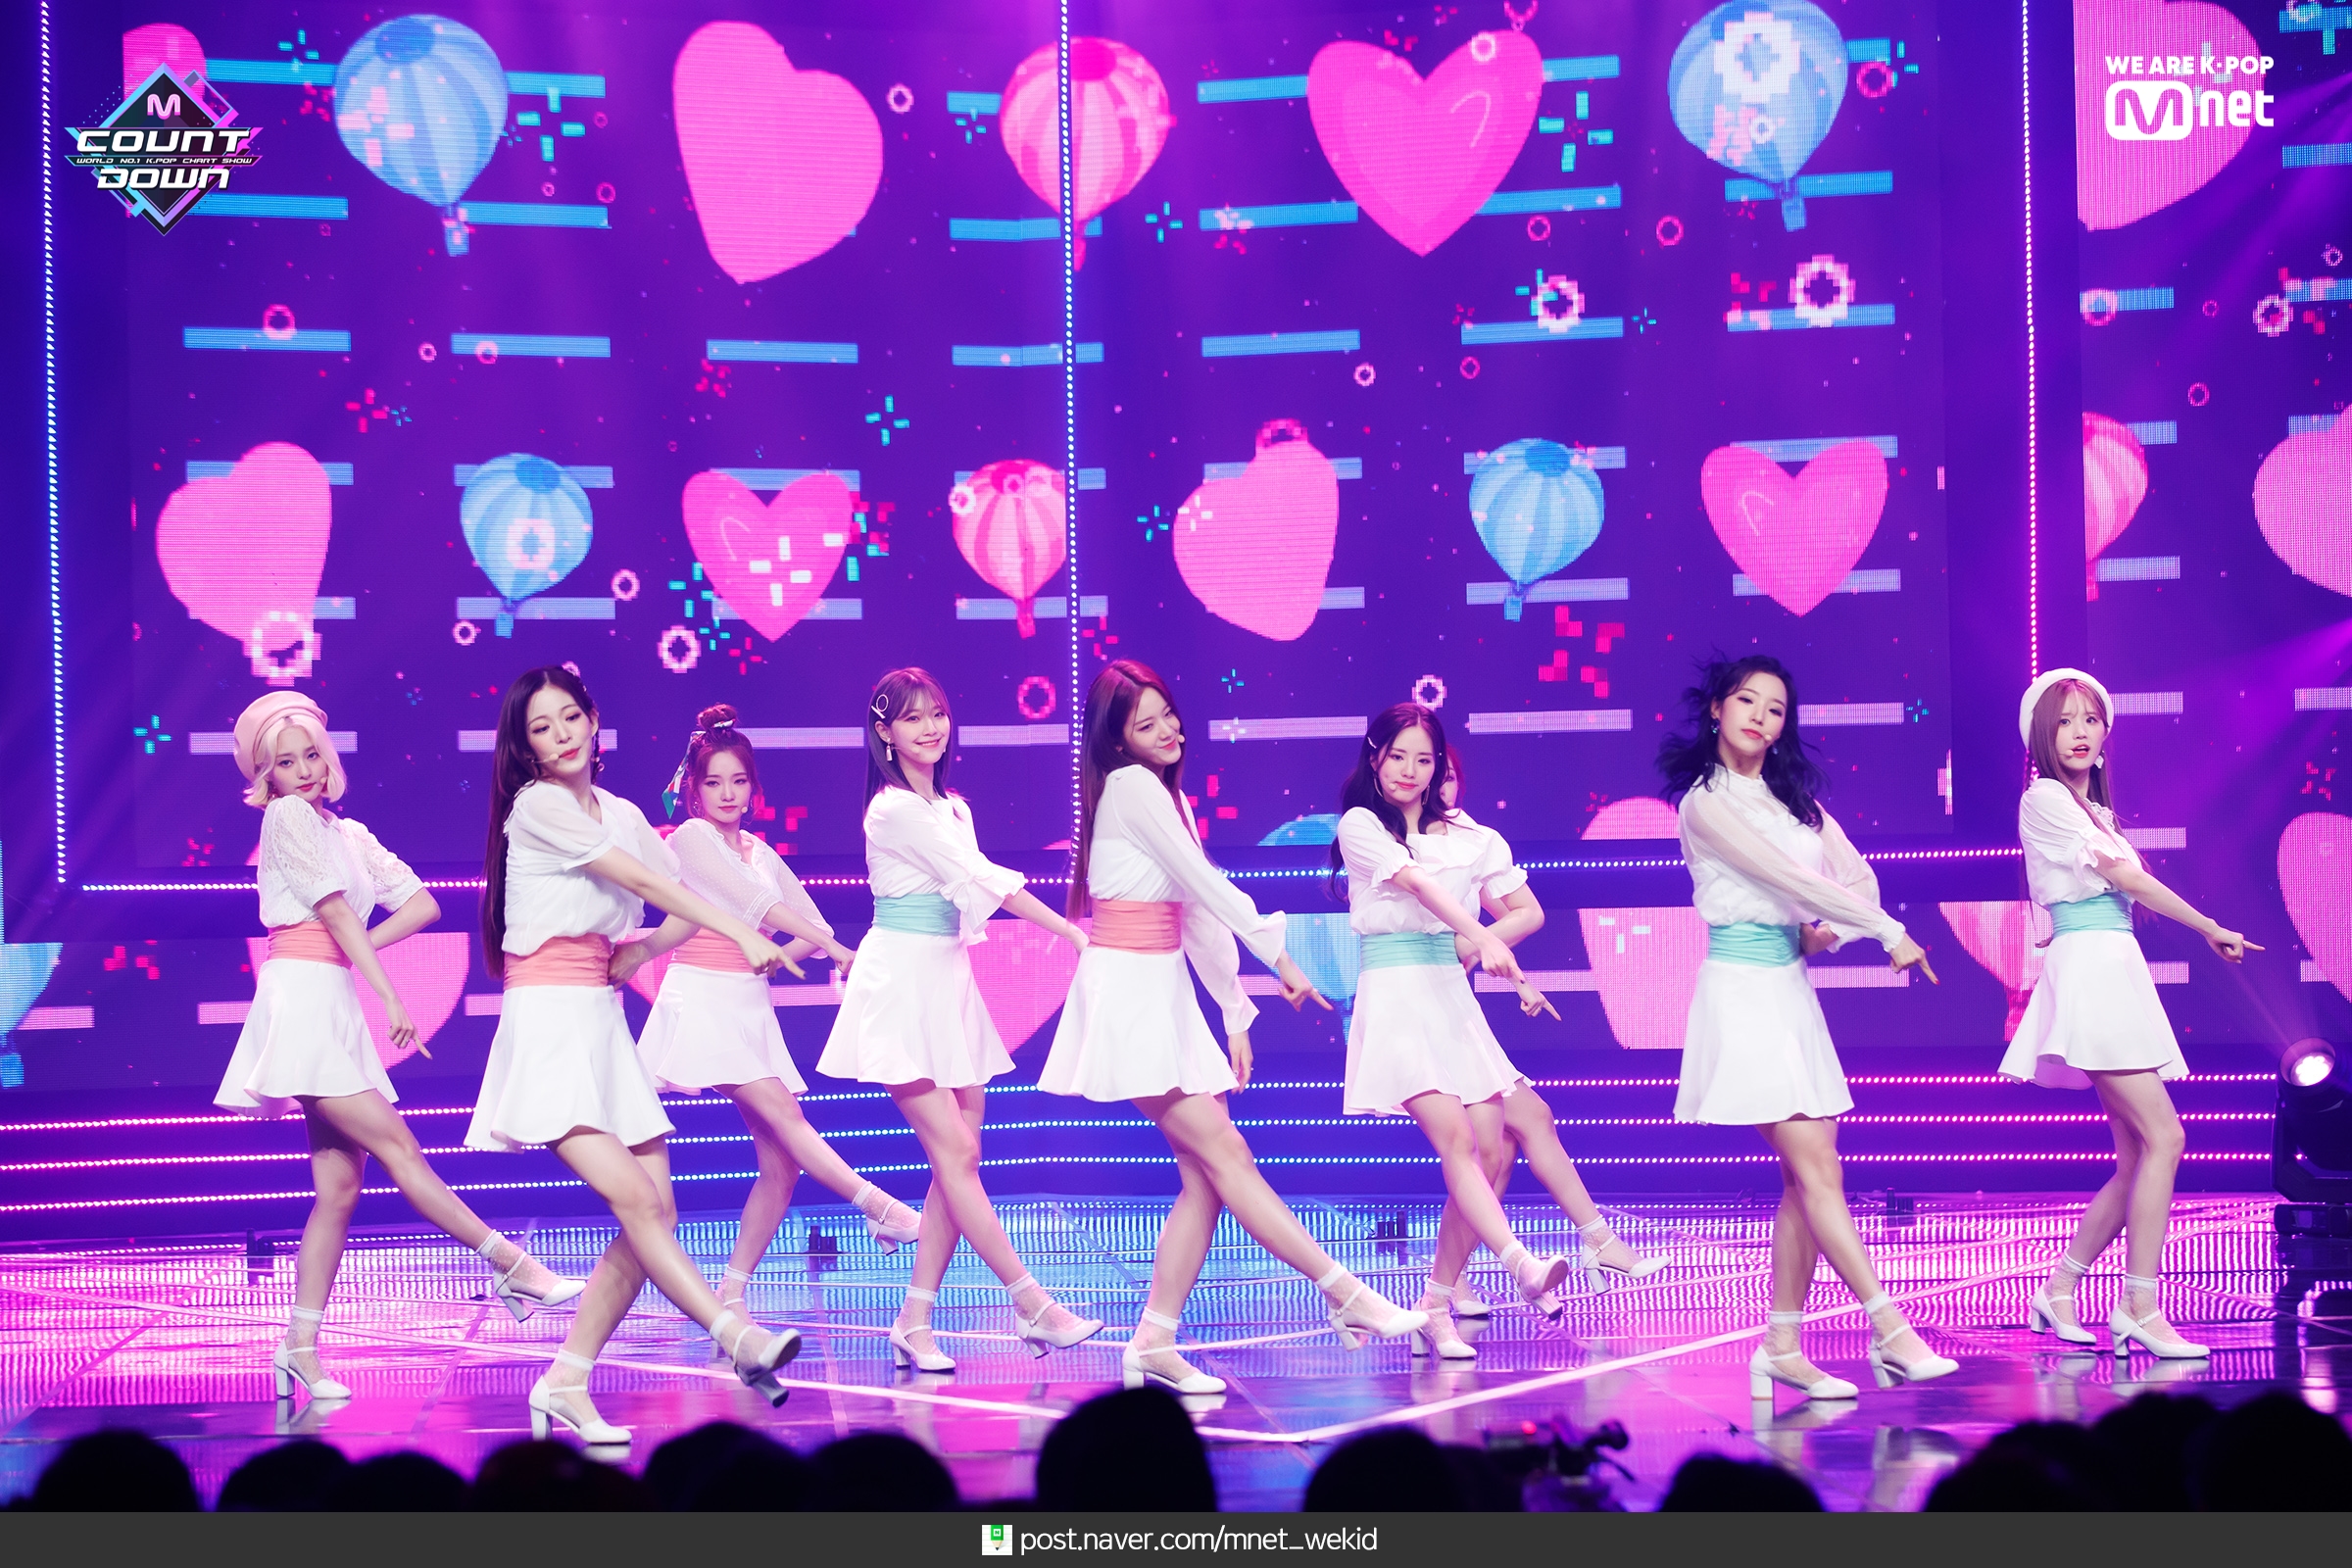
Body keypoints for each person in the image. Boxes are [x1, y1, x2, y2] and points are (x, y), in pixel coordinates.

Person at [1042, 660, 1426, 1396]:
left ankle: (1154, 1341)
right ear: (1117, 740)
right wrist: (1277, 955)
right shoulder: (1132, 788)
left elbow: (1192, 914)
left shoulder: (1163, 796)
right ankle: (1344, 1291)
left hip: (1161, 991)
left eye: (1168, 714)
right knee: (1228, 1154)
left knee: (1205, 1180)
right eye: (1145, 723)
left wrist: (1233, 1010)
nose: (1167, 730)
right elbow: (1206, 887)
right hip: (1129, 996)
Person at [470, 666, 805, 1446]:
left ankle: (565, 1381)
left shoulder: (619, 812)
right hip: (548, 1026)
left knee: (656, 1209)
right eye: (541, 728)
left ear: (593, 719)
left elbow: (691, 887)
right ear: (525, 748)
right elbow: (633, 878)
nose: (561, 736)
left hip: (601, 1019)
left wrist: (646, 949)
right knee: (637, 1201)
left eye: (569, 718)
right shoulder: (537, 806)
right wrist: (739, 931)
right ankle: (736, 1334)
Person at [217, 692, 580, 1402]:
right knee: (401, 1149)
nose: (304, 771)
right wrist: (385, 993)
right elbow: (333, 914)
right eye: (285, 763)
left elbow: (421, 903)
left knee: (339, 1191)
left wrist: (358, 959)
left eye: (311, 755)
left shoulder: (347, 833)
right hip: (303, 1004)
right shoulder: (287, 818)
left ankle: (298, 1348)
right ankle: (512, 1266)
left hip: (329, 996)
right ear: (267, 775)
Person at [1656, 655, 1952, 1398]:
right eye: (1746, 701)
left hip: (1789, 992)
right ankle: (1890, 1328)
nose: (1760, 717)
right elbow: (1786, 878)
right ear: (1717, 709)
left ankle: (1781, 1347)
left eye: (1776, 709)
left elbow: (1854, 878)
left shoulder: (1795, 802)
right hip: (1740, 994)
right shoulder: (1704, 804)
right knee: (1818, 1168)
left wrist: (1827, 935)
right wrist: (1886, 931)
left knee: (1805, 1177)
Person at [816, 668, 1102, 1372]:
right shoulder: (891, 810)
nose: (930, 728)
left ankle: (913, 1322)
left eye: (938, 713)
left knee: (959, 1161)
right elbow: (982, 880)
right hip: (900, 984)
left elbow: (969, 893)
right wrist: (1071, 931)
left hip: (947, 981)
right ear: (885, 732)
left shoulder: (952, 808)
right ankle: (1032, 1302)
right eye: (913, 718)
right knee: (958, 1156)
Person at [614, 704, 922, 1317]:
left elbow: (810, 923)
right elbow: (755, 906)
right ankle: (879, 1207)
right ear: (695, 790)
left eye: (738, 781)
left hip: (749, 1006)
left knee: (781, 1164)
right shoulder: (691, 839)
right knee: (785, 1114)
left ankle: (730, 1294)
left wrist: (777, 956)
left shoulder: (756, 849)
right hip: (702, 998)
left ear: (753, 787)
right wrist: (830, 949)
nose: (727, 793)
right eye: (714, 782)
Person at [2006, 670, 2257, 1360]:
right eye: (2064, 721)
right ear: (2041, 736)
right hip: (2093, 975)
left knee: (2137, 1156)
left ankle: (2060, 1288)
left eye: (2090, 720)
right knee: (2166, 1137)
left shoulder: (2095, 812)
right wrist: (2209, 926)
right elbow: (2125, 880)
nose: (2080, 733)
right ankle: (2139, 1306)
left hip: (2112, 968)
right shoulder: (2045, 797)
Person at [1327, 704, 1574, 1355]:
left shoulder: (1459, 834)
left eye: (1424, 759)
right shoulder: (1359, 825)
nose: (1410, 771)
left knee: (1494, 1152)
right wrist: (1482, 936)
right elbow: (1417, 886)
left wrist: (1489, 942)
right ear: (1375, 756)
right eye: (1398, 756)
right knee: (1457, 1140)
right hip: (1396, 996)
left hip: (1448, 996)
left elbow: (1515, 906)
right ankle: (1521, 1262)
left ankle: (1436, 1302)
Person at [1408, 741, 1663, 1347]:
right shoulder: (1397, 840)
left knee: (1503, 1145)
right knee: (1503, 1138)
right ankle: (1586, 1244)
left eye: (1446, 774)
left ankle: (1453, 1285)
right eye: (1423, 769)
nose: (1438, 783)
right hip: (1417, 1007)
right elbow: (1453, 928)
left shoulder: (1468, 840)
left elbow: (1505, 919)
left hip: (1454, 1007)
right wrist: (1473, 947)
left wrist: (1518, 979)